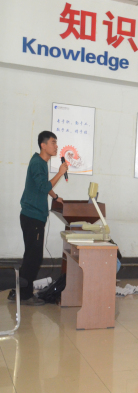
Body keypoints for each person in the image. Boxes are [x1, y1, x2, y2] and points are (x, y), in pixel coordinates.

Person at [14, 131, 67, 305]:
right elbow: (43, 186)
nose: (56, 146)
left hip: (33, 216)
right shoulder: (38, 163)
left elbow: (43, 185)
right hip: (33, 216)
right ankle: (25, 296)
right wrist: (60, 172)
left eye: (56, 143)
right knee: (34, 258)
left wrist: (55, 196)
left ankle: (19, 292)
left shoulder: (40, 162)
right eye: (53, 142)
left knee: (31, 255)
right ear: (43, 145)